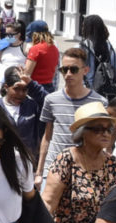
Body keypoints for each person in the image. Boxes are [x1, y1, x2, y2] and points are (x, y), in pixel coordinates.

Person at [36, 48, 107, 190]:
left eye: (73, 69)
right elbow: (47, 136)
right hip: (53, 169)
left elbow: (103, 140)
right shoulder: (51, 99)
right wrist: (39, 171)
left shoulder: (100, 103)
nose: (68, 74)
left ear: (85, 70)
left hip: (85, 171)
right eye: (64, 69)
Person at [0, 67, 48, 162]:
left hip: (29, 162)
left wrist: (32, 85)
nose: (21, 93)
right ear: (6, 87)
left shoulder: (32, 106)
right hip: (3, 162)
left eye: (25, 89)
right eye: (16, 89)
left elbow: (49, 101)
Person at [80, 15, 116, 97]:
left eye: (83, 26)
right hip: (106, 92)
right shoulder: (110, 47)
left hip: (87, 91)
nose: (82, 28)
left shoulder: (83, 46)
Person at [0, 20, 28, 91]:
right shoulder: (3, 47)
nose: (7, 38)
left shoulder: (25, 47)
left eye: (10, 35)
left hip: (17, 82)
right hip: (3, 81)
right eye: (5, 35)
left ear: (18, 34)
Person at [24, 20, 59, 93]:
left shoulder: (35, 49)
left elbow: (27, 74)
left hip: (35, 87)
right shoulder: (54, 48)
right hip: (49, 86)